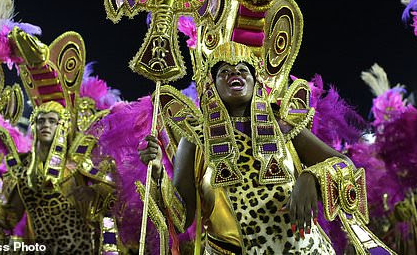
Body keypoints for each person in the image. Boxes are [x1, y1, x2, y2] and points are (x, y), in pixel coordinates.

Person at [140, 41, 341, 254]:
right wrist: (158, 173)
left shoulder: (284, 127)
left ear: (256, 81)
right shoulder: (194, 139)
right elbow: (182, 218)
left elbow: (343, 165)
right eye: (224, 71)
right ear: (212, 84)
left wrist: (311, 177)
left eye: (243, 69)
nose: (234, 73)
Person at [0, 101, 116, 254]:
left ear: (62, 126)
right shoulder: (23, 170)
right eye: (41, 121)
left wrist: (94, 194)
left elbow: (111, 201)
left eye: (52, 121)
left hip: (80, 248)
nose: (46, 125)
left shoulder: (79, 163)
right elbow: (11, 218)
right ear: (34, 126)